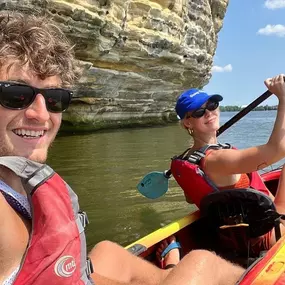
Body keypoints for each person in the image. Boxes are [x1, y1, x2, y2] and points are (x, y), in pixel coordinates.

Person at [0, 10, 246, 285]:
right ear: (188, 122)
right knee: (202, 263)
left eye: (55, 99)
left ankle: (169, 270)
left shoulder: (16, 181)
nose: (41, 114)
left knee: (107, 251)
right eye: (15, 95)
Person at [171, 76, 285, 256]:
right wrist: (283, 100)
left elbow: (191, 198)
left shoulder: (187, 160)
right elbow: (277, 150)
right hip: (267, 234)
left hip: (232, 238)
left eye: (212, 105)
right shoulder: (217, 159)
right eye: (200, 113)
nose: (209, 113)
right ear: (187, 122)